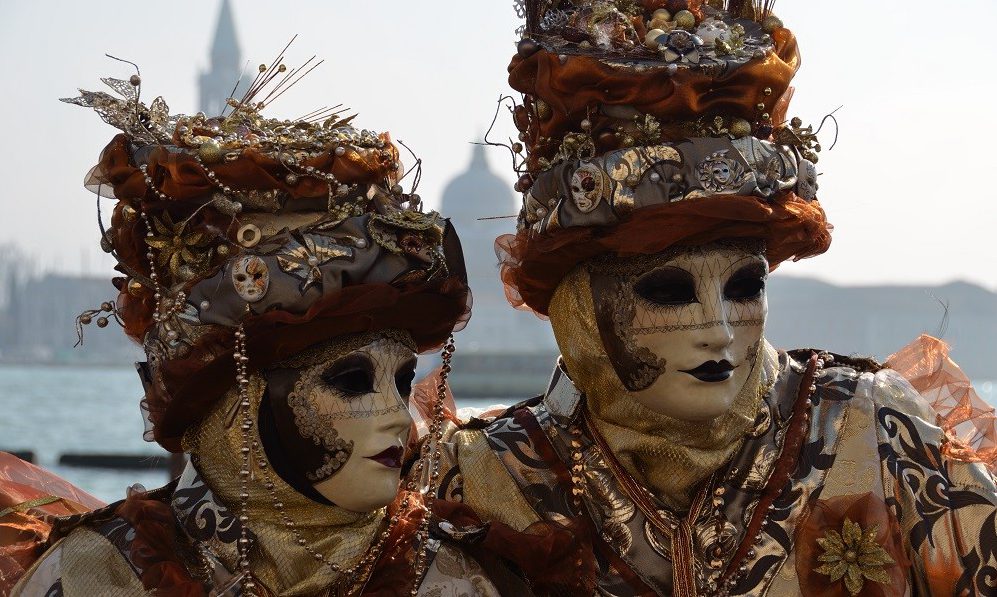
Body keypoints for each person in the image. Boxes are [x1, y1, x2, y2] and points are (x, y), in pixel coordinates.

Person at [432, 1, 997, 595]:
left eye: (744, 286)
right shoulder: (485, 474)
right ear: (583, 310)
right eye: (670, 293)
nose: (720, 330)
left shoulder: (871, 429)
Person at [7, 58, 507, 596]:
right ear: (240, 402)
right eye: (351, 380)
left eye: (403, 381)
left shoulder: (452, 577)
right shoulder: (102, 577)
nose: (397, 415)